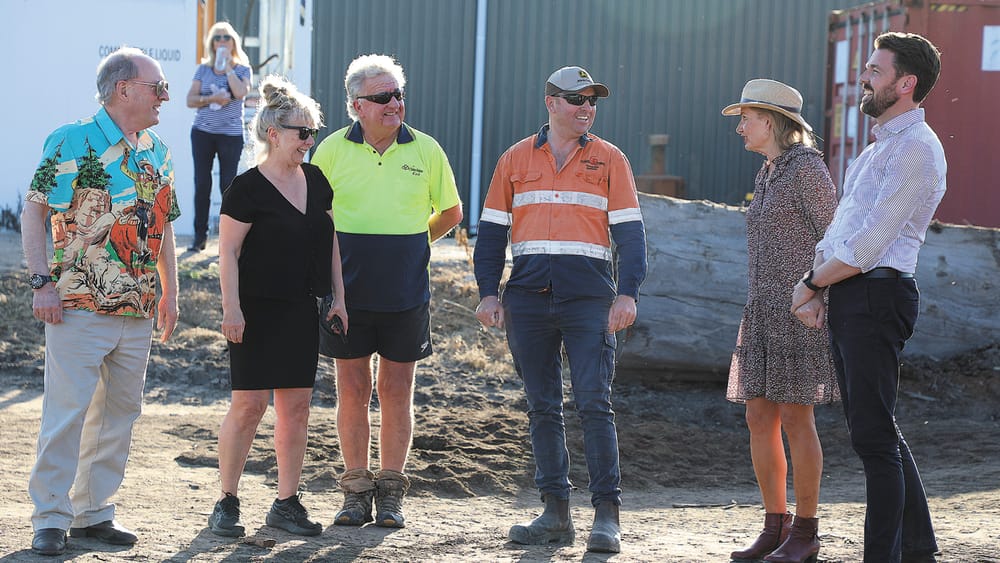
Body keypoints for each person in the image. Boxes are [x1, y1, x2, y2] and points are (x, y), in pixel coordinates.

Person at [473, 66, 647, 554]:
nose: (586, 108)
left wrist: (627, 293)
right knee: (542, 407)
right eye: (576, 99)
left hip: (591, 299)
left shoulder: (611, 160)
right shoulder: (513, 160)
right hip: (527, 299)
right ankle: (554, 513)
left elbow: (631, 235)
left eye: (592, 100)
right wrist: (489, 291)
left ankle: (607, 517)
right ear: (550, 103)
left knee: (594, 403)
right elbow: (490, 234)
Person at [791, 32, 945, 563]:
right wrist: (818, 285)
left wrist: (811, 285)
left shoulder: (918, 150)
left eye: (875, 71)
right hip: (855, 295)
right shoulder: (879, 148)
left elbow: (870, 245)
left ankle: (885, 555)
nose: (864, 78)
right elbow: (841, 232)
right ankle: (918, 550)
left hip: (878, 296)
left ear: (906, 84)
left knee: (874, 440)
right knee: (874, 430)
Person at [21, 46, 179, 556]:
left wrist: (169, 292)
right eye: (158, 87)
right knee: (67, 415)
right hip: (76, 306)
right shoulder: (70, 140)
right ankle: (49, 517)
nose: (165, 97)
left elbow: (165, 227)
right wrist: (41, 281)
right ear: (123, 90)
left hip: (137, 309)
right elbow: (34, 211)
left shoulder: (157, 148)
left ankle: (93, 514)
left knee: (119, 414)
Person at [311, 54, 463, 529]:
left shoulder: (427, 149)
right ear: (357, 105)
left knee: (396, 390)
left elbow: (452, 213)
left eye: (398, 93)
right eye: (382, 97)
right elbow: (314, 216)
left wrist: (415, 244)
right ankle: (356, 491)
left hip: (406, 292)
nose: (394, 103)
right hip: (346, 294)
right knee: (352, 389)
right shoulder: (331, 150)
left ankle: (392, 492)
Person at [208, 75, 346, 538]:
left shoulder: (317, 181)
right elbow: (226, 252)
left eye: (313, 132)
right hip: (254, 309)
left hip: (300, 308)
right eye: (302, 132)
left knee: (297, 407)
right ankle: (226, 500)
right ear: (274, 132)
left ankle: (286, 503)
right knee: (249, 406)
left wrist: (338, 297)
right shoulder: (246, 188)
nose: (309, 140)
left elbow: (330, 243)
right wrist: (231, 309)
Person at [721, 79, 839, 563]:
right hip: (761, 310)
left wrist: (817, 298)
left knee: (796, 416)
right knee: (758, 417)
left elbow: (836, 240)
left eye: (745, 118)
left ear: (769, 121)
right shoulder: (768, 172)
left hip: (798, 310)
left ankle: (806, 532)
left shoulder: (808, 170)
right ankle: (776, 525)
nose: (740, 128)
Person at [185, 21, 252, 251]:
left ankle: (228, 242)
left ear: (233, 42)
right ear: (211, 44)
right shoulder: (203, 69)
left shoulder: (243, 69)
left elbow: (242, 93)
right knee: (202, 184)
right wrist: (211, 99)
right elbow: (190, 100)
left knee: (228, 186)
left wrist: (228, 68)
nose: (222, 41)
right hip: (203, 133)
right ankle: (199, 238)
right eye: (217, 38)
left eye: (226, 38)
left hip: (230, 135)